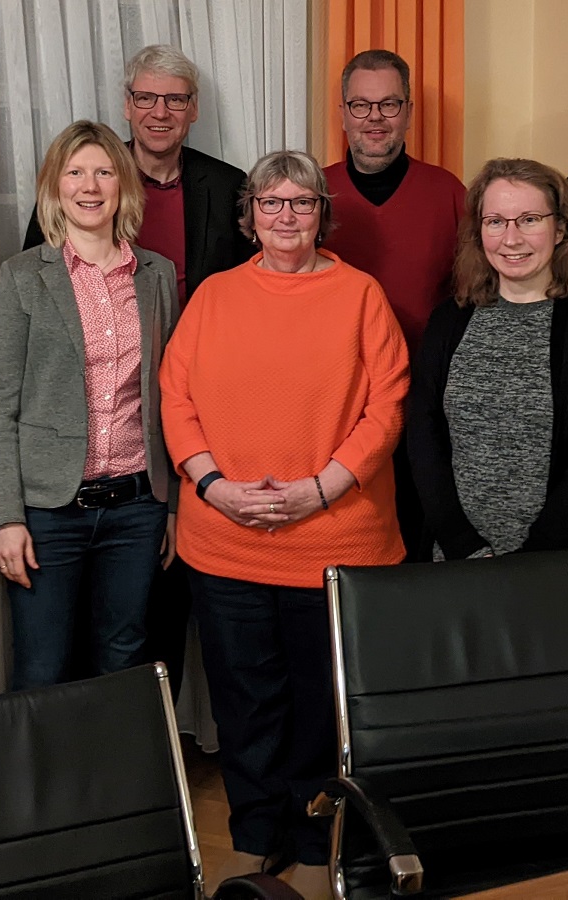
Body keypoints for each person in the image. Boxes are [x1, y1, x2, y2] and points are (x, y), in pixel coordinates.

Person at [159, 150, 408, 895]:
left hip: (334, 539)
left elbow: (387, 405)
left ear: (322, 215)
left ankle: (312, 833)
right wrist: (210, 484)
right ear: (250, 216)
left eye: (302, 202)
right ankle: (253, 832)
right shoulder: (213, 296)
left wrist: (323, 489)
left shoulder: (361, 295)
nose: (287, 215)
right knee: (245, 701)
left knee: (317, 704)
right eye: (271, 203)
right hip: (226, 539)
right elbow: (176, 400)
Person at [24, 45, 252, 693]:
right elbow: (36, 313)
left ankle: (154, 760)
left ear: (193, 110)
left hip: (189, 427)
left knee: (155, 616)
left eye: (175, 99)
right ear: (127, 105)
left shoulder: (226, 185)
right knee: (56, 645)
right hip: (87, 438)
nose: (160, 112)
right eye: (146, 98)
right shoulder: (85, 184)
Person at [0, 120, 179, 690]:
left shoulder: (157, 274)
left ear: (123, 185)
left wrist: (170, 509)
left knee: (124, 661)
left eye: (103, 170)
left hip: (137, 508)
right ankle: (42, 783)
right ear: (55, 185)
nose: (89, 185)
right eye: (75, 171)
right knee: (43, 666)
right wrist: (7, 519)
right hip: (48, 512)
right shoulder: (23, 276)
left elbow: (170, 396)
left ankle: (107, 782)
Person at [408, 158, 568, 560]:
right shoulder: (448, 321)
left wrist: (529, 562)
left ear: (561, 228)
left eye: (529, 220)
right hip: (454, 560)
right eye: (495, 221)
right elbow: (424, 439)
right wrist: (465, 547)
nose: (511, 239)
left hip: (553, 566)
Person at [321, 48, 466, 560]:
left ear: (408, 111)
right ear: (341, 112)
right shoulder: (314, 195)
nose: (375, 118)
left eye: (389, 105)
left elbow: (471, 298)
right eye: (361, 106)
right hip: (333, 407)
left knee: (413, 539)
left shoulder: (448, 192)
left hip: (422, 405)